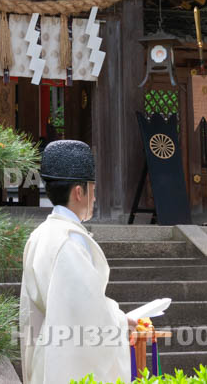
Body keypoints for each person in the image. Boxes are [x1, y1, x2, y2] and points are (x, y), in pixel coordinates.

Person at [19, 140, 136, 384]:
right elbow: (86, 313)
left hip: (47, 355)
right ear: (79, 192)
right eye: (92, 189)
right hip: (67, 364)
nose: (95, 197)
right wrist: (120, 321)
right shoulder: (69, 242)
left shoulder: (40, 235)